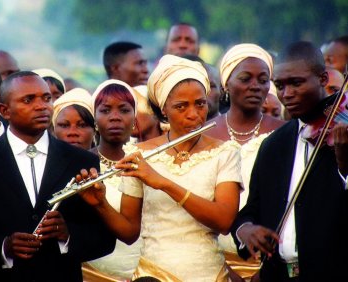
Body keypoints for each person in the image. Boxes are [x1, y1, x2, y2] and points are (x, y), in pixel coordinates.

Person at [80, 55, 242, 281]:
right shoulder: (140, 155)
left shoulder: (225, 152)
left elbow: (224, 221)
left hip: (209, 273)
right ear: (164, 109)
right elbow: (129, 232)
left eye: (200, 103)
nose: (193, 114)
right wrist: (101, 204)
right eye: (181, 106)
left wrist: (163, 183)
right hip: (153, 275)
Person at [0, 71, 116, 282]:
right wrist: (3, 246)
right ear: (5, 110)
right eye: (28, 100)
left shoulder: (82, 162)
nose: (41, 106)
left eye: (46, 98)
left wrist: (68, 235)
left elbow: (104, 239)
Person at [231, 41, 348, 281]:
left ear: (323, 79)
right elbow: (251, 210)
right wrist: (246, 230)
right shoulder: (274, 144)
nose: (286, 94)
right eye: (280, 86)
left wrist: (345, 166)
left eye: (296, 83)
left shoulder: (342, 135)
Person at [205, 43, 285, 281]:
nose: (255, 86)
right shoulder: (203, 134)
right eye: (245, 78)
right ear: (226, 85)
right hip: (211, 261)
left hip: (272, 261)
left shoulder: (285, 133)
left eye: (263, 80)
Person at [84, 79, 142, 280]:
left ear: (135, 119)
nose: (115, 117)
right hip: (92, 272)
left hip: (146, 271)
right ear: (94, 119)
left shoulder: (148, 161)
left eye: (124, 110)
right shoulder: (81, 164)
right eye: (106, 110)